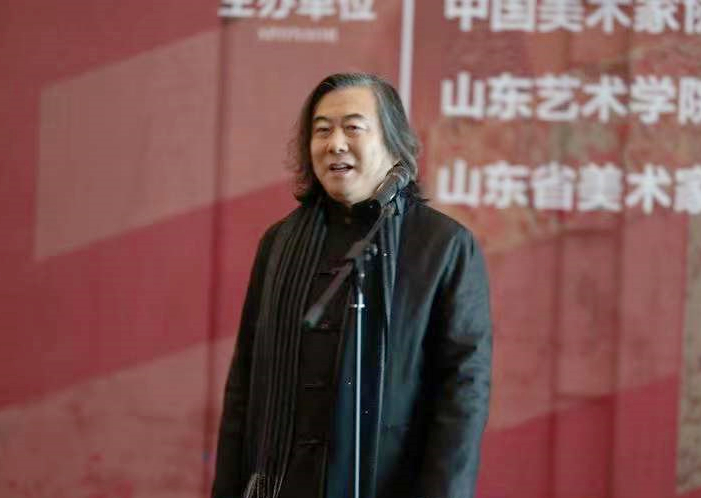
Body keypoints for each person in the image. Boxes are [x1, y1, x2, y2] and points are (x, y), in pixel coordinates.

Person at [212, 73, 492, 498]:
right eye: (322, 130)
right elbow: (244, 384)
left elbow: (463, 395)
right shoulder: (279, 243)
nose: (335, 144)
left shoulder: (443, 246)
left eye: (353, 128)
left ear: (393, 143)